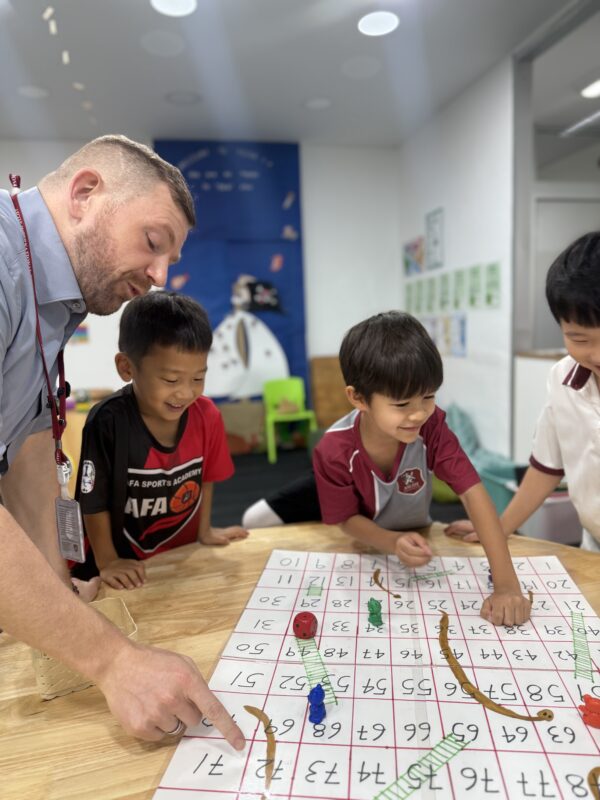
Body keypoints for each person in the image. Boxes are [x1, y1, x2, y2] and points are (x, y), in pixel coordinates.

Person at [0, 135, 245, 748]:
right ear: (85, 193)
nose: (160, 276)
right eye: (153, 242)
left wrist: (55, 590)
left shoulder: (56, 302)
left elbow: (28, 453)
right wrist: (111, 659)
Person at [245, 311, 530, 626]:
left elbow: (472, 491)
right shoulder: (333, 450)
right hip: (346, 493)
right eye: (402, 404)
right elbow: (345, 520)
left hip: (401, 513)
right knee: (256, 518)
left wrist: (506, 585)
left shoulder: (432, 426)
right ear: (358, 398)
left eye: (428, 396)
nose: (418, 414)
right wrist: (390, 542)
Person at [72, 291, 248, 589]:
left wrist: (204, 531)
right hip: (121, 564)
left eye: (198, 378)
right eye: (171, 380)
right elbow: (93, 502)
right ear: (127, 367)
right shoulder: (108, 422)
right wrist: (108, 561)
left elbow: (206, 478)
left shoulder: (207, 416)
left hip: (179, 559)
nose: (186, 393)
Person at [445, 232, 600, 553]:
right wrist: (499, 527)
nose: (597, 355)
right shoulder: (562, 379)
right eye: (579, 339)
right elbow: (546, 467)